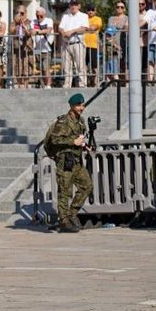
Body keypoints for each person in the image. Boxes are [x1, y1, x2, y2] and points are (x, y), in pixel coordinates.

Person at [45, 94, 93, 233]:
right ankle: (64, 221)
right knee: (64, 192)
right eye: (78, 106)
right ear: (72, 106)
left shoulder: (80, 121)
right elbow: (55, 140)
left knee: (87, 186)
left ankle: (72, 214)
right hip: (65, 161)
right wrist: (73, 141)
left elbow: (79, 138)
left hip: (77, 161)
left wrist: (84, 145)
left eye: (82, 105)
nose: (81, 108)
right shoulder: (63, 122)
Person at [58, 0, 89, 89]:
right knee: (66, 67)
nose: (73, 6)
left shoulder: (84, 16)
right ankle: (67, 85)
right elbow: (60, 28)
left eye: (75, 4)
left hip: (78, 43)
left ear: (79, 6)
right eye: (71, 4)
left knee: (80, 66)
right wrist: (63, 33)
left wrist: (72, 31)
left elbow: (84, 28)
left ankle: (83, 85)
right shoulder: (65, 16)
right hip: (66, 43)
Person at [31, 7, 55, 88]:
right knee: (40, 68)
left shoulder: (49, 20)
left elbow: (48, 30)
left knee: (46, 68)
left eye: (41, 16)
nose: (39, 18)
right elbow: (31, 31)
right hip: (37, 49)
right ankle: (43, 84)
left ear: (44, 15)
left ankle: (48, 84)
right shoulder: (34, 21)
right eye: (37, 16)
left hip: (47, 48)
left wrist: (37, 31)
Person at [105, 2, 128, 82]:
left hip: (123, 43)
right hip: (111, 45)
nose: (119, 8)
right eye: (118, 7)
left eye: (122, 7)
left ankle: (125, 83)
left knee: (123, 64)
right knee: (111, 64)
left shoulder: (126, 18)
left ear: (124, 9)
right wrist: (113, 43)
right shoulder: (111, 18)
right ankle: (112, 83)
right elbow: (108, 32)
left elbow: (126, 29)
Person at [11, 7, 33, 88]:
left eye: (22, 13)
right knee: (17, 66)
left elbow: (30, 33)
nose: (20, 15)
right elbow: (11, 31)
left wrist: (25, 27)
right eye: (18, 13)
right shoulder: (14, 23)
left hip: (26, 47)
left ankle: (26, 85)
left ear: (26, 13)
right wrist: (17, 24)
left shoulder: (30, 22)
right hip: (17, 47)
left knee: (26, 67)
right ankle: (20, 85)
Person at [83, 5, 103, 87]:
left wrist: (84, 28)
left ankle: (96, 82)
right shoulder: (83, 18)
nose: (90, 11)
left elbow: (94, 28)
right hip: (83, 45)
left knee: (94, 66)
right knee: (84, 66)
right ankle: (85, 82)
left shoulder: (98, 19)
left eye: (92, 10)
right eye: (88, 9)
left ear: (95, 11)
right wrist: (87, 28)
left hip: (93, 45)